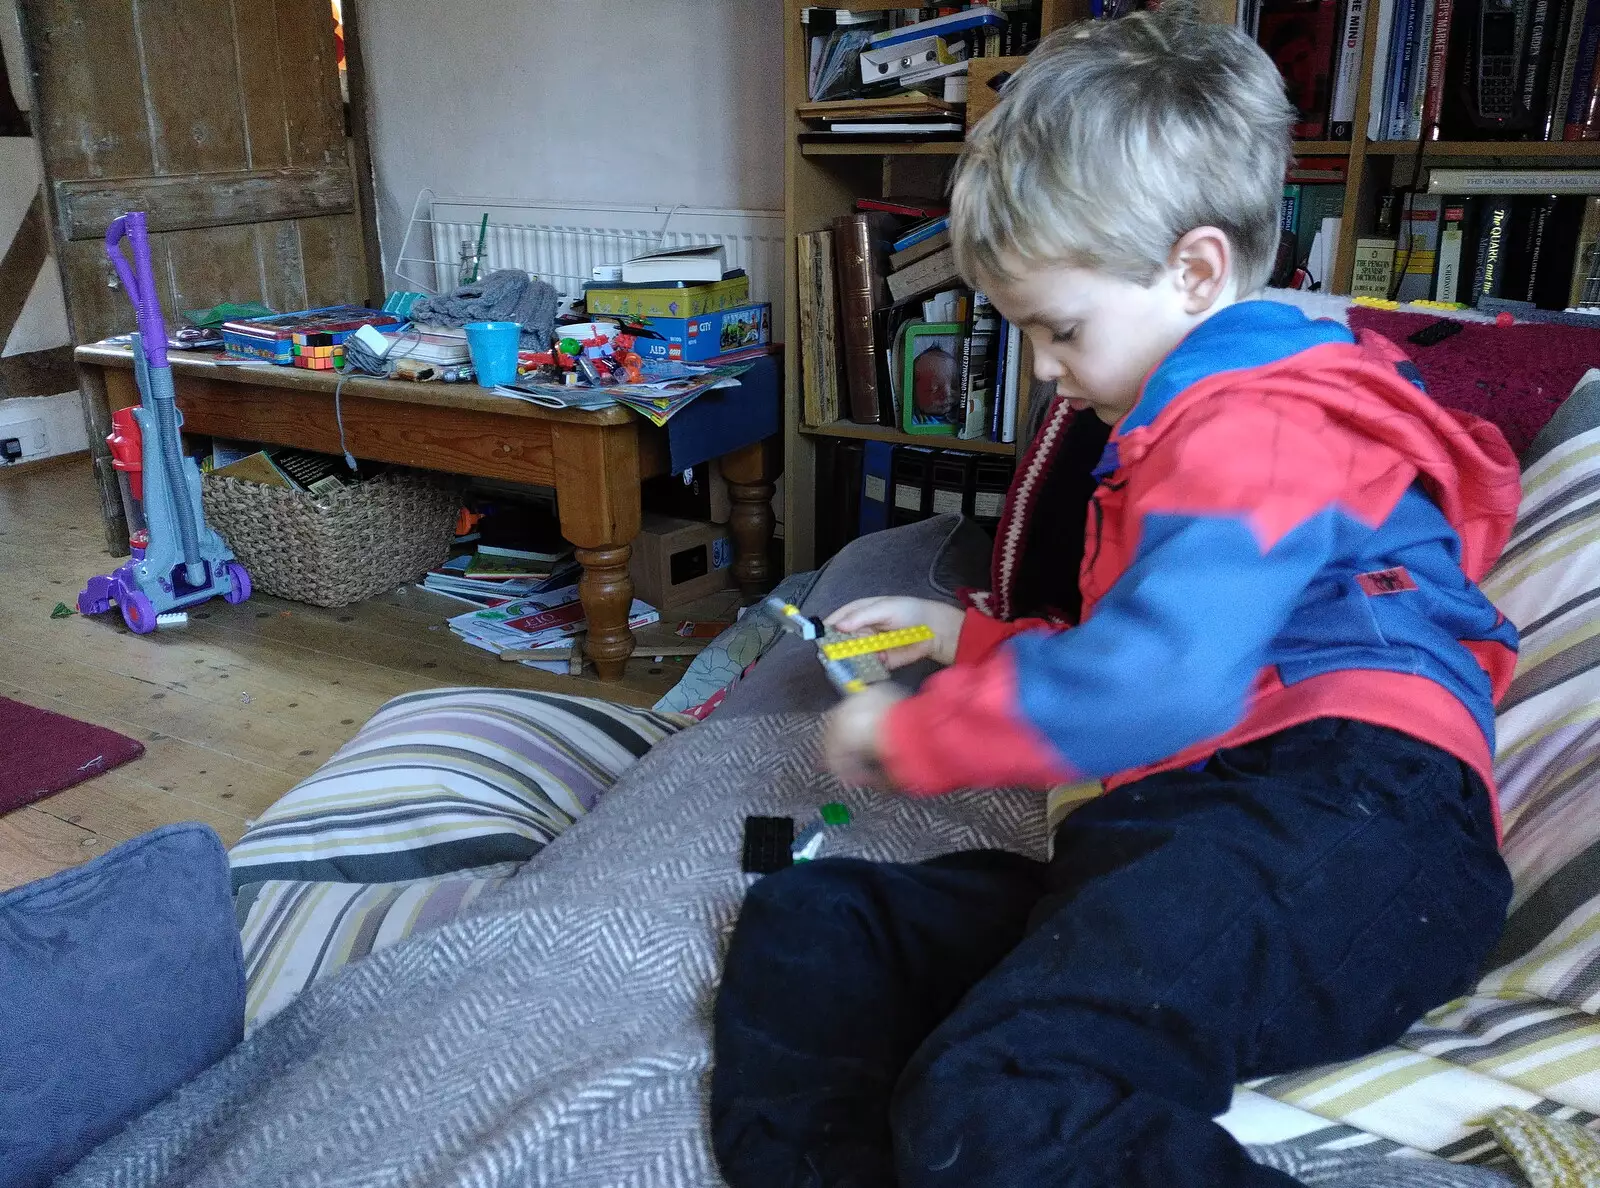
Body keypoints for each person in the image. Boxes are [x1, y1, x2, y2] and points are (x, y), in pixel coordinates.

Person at [709, 7, 1523, 1187]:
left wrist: (925, 731)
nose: (1043, 369)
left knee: (1007, 1087)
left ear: (1194, 270)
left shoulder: (1263, 418)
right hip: (1197, 827)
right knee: (814, 919)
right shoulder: (1182, 437)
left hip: (1352, 823)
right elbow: (1153, 647)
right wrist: (969, 639)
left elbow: (1163, 681)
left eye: (1060, 328)